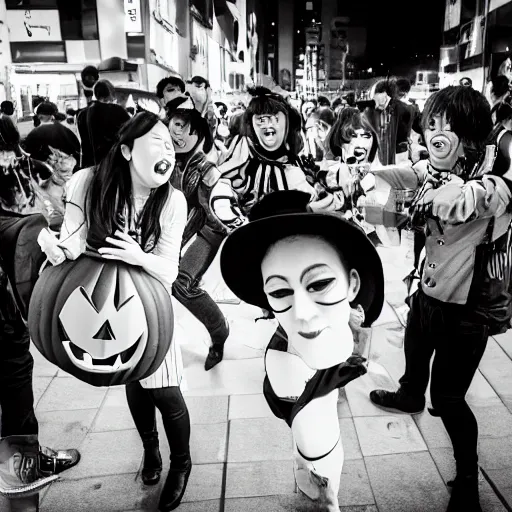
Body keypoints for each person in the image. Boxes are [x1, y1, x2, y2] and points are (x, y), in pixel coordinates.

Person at [368, 86, 512, 512]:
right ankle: (410, 393)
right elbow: (401, 181)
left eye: (446, 129)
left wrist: (424, 195)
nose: (435, 137)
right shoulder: (432, 169)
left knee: (449, 399)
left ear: (471, 136)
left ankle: (468, 475)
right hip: (428, 293)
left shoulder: (499, 182)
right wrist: (364, 181)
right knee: (415, 353)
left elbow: (464, 201)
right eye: (430, 126)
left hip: (468, 310)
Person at [39, 112, 191, 511]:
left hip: (152, 306)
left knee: (166, 390)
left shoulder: (173, 199)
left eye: (170, 144)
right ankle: (151, 451)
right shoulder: (88, 181)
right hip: (99, 295)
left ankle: (181, 464)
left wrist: (138, 256)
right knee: (132, 378)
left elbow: (170, 269)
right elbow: (73, 238)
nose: (167, 151)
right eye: (156, 142)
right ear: (126, 150)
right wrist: (56, 247)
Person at [219, 190, 384, 510]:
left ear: (353, 284)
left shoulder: (327, 328)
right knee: (318, 453)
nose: (303, 312)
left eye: (319, 283)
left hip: (309, 371)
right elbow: (318, 463)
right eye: (280, 291)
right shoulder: (298, 380)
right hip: (300, 380)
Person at [0, 113, 81, 505]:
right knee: (13, 379)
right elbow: (38, 295)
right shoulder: (26, 221)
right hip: (4, 327)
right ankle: (21, 473)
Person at [163, 95, 241, 370]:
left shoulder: (204, 167)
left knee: (182, 284)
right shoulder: (162, 158)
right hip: (171, 231)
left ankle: (219, 333)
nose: (182, 133)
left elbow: (220, 186)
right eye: (177, 125)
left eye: (190, 129)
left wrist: (226, 208)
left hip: (207, 229)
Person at [77, 79, 131, 168]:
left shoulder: (82, 114)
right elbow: (130, 132)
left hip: (90, 164)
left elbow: (83, 142)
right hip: (112, 164)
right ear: (111, 93)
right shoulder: (117, 111)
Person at [23, 102, 80, 168]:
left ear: (39, 116)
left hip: (47, 172)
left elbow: (28, 154)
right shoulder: (65, 130)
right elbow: (76, 149)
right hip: (69, 170)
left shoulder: (35, 133)